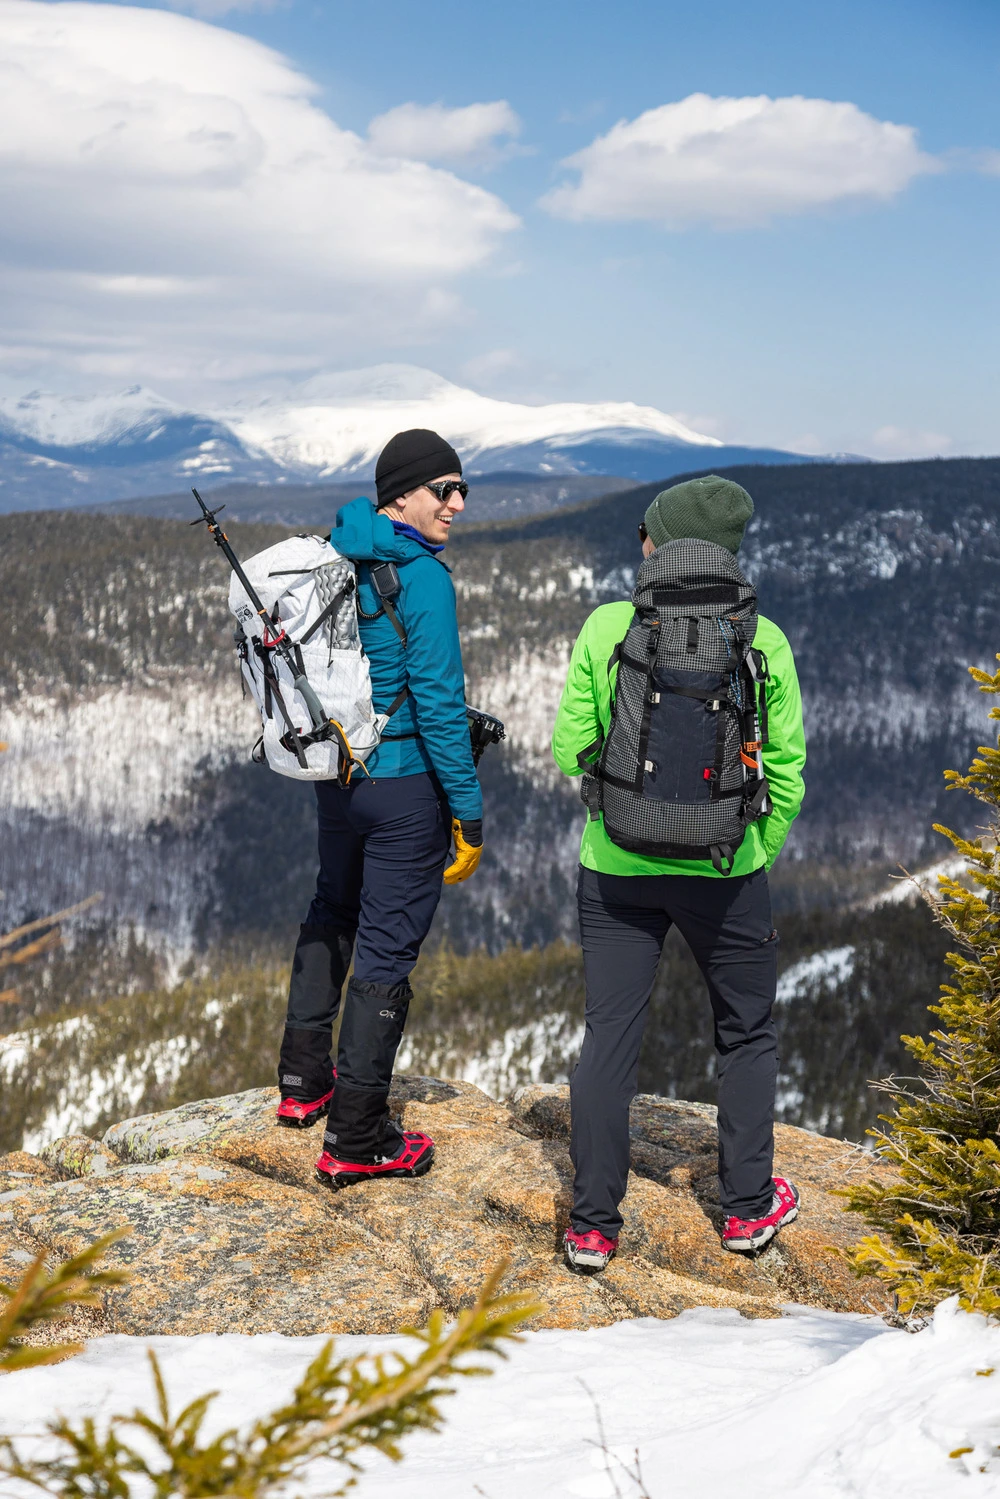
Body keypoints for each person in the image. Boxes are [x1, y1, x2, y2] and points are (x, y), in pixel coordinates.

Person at [551, 475, 806, 1270]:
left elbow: (569, 750)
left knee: (611, 1037)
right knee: (745, 1032)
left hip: (617, 868)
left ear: (657, 541)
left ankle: (593, 1224)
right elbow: (788, 774)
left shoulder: (607, 625)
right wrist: (745, 843)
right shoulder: (762, 639)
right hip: (727, 870)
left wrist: (621, 808)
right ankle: (745, 1211)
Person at [275, 428, 483, 1188]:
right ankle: (358, 1136)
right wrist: (468, 812)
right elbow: (436, 702)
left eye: (462, 490)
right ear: (401, 493)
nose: (457, 504)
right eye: (444, 489)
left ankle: (303, 1083)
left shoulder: (338, 550)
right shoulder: (423, 577)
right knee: (387, 954)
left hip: (340, 776)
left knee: (331, 906)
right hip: (403, 789)